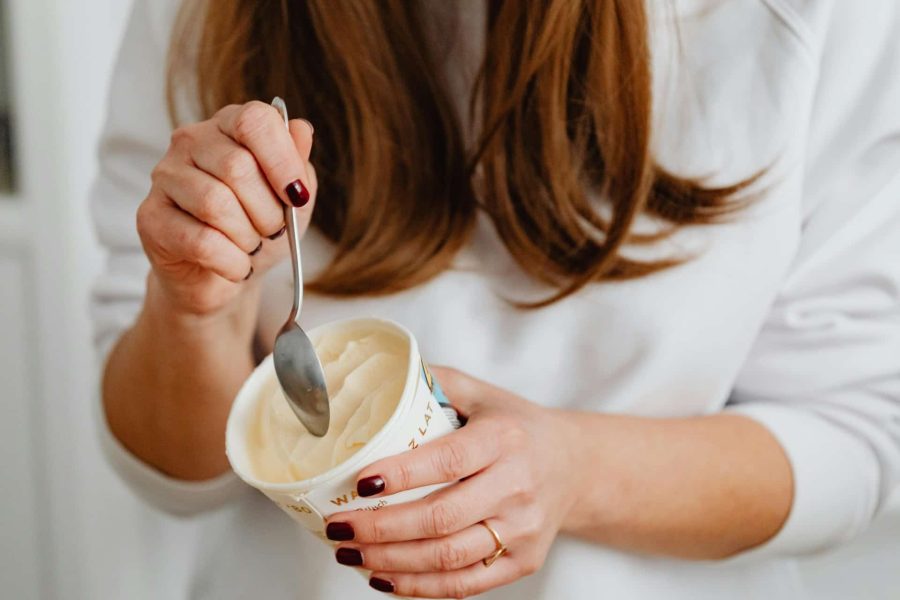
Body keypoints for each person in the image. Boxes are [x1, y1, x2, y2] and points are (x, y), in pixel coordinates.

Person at [91, 0, 900, 598]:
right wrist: (197, 309)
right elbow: (171, 476)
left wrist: (574, 474)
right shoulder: (206, 17)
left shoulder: (813, 22)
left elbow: (854, 430)